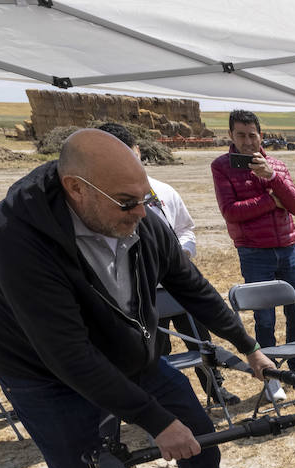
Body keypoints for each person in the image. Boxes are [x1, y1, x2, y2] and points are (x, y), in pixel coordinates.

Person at [0, 129, 275, 468]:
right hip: (41, 370)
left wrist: (247, 345)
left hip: (125, 347)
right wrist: (155, 422)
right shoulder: (15, 237)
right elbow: (67, 354)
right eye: (128, 203)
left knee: (198, 432)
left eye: (146, 199)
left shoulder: (139, 217)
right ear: (76, 189)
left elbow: (190, 285)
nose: (141, 213)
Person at [95, 122, 238, 407]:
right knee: (154, 349)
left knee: (201, 340)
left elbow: (185, 229)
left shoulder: (164, 191)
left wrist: (183, 252)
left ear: (138, 151)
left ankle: (215, 388)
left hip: (178, 285)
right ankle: (161, 400)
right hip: (141, 294)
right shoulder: (101, 202)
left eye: (130, 155)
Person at [211, 109, 295, 403]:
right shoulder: (222, 167)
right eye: (240, 135)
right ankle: (271, 375)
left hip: (288, 247)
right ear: (231, 135)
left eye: (252, 135)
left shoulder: (276, 165)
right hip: (254, 252)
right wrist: (270, 201)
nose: (247, 141)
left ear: (261, 135)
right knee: (264, 318)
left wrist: (273, 178)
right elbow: (231, 212)